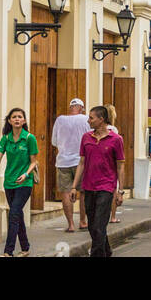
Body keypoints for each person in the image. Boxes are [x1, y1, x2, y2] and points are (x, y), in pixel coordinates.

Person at [71, 105, 125, 258]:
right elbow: (81, 163)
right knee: (93, 225)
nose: (88, 121)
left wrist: (120, 191)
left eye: (91, 118)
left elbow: (120, 166)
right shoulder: (86, 138)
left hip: (106, 187)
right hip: (88, 186)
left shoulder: (116, 139)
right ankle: (106, 251)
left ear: (101, 120)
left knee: (100, 225)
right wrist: (74, 186)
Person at [0, 108, 39, 258]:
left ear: (24, 121)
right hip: (9, 182)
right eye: (14, 117)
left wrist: (25, 174)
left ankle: (8, 252)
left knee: (14, 214)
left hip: (24, 182)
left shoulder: (30, 138)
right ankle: (25, 247)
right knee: (17, 215)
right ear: (9, 121)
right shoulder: (6, 139)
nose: (17, 119)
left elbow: (33, 162)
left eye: (20, 117)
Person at [51, 98, 90, 232]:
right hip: (81, 161)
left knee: (66, 193)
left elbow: (54, 141)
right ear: (81, 108)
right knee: (84, 192)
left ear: (70, 108)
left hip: (63, 161)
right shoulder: (86, 119)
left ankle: (71, 224)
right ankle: (83, 221)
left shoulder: (60, 120)